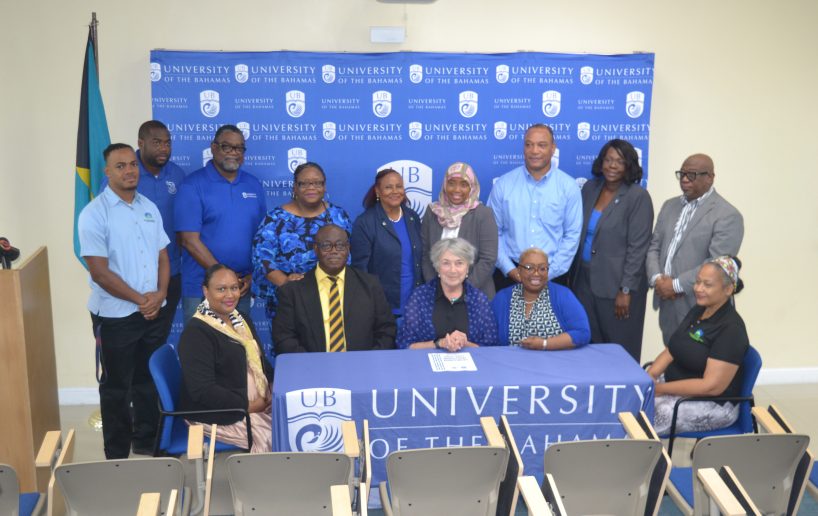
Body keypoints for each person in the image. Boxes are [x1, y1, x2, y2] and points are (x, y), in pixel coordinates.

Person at [78, 143, 170, 459]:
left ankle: (146, 442)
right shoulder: (94, 214)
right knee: (117, 387)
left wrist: (160, 294)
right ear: (107, 172)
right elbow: (100, 273)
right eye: (120, 166)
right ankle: (116, 456)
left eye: (133, 164)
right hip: (116, 316)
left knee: (148, 381)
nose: (129, 171)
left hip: (153, 311)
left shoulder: (149, 207)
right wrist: (141, 300)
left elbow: (162, 256)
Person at [569, 139, 654, 361]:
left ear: (629, 165)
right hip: (584, 281)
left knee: (619, 349)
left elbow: (638, 248)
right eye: (608, 160)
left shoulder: (637, 197)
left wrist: (626, 290)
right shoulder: (590, 188)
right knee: (588, 348)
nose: (612, 166)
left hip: (617, 285)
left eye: (619, 161)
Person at [646, 154, 744, 345]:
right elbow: (654, 246)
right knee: (672, 353)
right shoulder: (669, 206)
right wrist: (658, 279)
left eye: (691, 175)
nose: (684, 179)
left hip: (701, 304)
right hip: (667, 301)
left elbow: (716, 265)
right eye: (681, 174)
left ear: (710, 177)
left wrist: (675, 285)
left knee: (697, 358)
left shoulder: (728, 215)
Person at [647, 257, 749, 435]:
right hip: (676, 386)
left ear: (728, 289)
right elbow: (672, 349)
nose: (698, 289)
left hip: (713, 404)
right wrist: (650, 377)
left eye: (707, 285)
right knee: (632, 398)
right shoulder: (699, 310)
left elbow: (711, 386)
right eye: (697, 282)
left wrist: (660, 389)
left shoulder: (731, 329)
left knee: (645, 418)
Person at [178, 264, 274, 453]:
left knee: (293, 420)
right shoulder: (196, 333)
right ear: (206, 291)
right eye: (221, 289)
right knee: (275, 436)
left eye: (234, 287)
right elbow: (203, 391)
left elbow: (261, 362)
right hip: (218, 412)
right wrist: (247, 405)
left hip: (255, 402)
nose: (230, 295)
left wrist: (271, 387)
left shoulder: (241, 319)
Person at [174, 124, 266, 321]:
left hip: (240, 287)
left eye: (239, 148)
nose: (233, 152)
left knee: (238, 340)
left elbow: (262, 238)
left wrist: (251, 276)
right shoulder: (192, 185)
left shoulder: (253, 185)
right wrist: (225, 278)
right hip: (201, 288)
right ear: (214, 147)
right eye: (227, 147)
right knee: (201, 340)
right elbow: (189, 240)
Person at [251, 162, 352, 334]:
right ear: (295, 187)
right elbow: (262, 260)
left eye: (317, 183)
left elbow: (348, 255)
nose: (311, 187)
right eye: (304, 183)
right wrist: (287, 283)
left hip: (331, 300)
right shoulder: (275, 218)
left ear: (324, 187)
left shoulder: (338, 216)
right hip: (289, 301)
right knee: (291, 348)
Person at [274, 224, 396, 353]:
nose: (334, 251)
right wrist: (310, 363)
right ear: (316, 249)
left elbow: (386, 331)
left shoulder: (370, 285)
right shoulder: (293, 291)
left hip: (363, 364)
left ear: (348, 248)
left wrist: (369, 360)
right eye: (326, 246)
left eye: (340, 245)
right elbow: (284, 337)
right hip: (310, 364)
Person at [488, 123, 582, 290]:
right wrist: (510, 269)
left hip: (553, 277)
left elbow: (572, 235)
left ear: (553, 148)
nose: (534, 151)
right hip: (510, 275)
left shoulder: (568, 187)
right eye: (529, 144)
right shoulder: (503, 185)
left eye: (542, 145)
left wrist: (548, 273)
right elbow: (493, 233)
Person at [397, 238, 498, 350]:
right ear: (437, 267)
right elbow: (405, 344)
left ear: (467, 268)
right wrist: (440, 343)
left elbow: (490, 348)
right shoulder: (420, 297)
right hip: (426, 360)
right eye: (446, 263)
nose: (452, 270)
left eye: (459, 263)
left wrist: (464, 343)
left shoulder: (479, 300)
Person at [350, 168, 423, 317]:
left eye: (399, 186)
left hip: (415, 304)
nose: (395, 191)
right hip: (383, 306)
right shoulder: (365, 222)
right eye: (388, 187)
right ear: (378, 191)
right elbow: (360, 269)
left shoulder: (412, 217)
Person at [421, 162, 498, 299]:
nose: (457, 189)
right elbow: (425, 254)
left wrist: (461, 291)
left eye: (463, 184)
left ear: (472, 187)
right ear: (445, 185)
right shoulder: (432, 212)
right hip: (437, 294)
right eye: (451, 183)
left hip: (476, 294)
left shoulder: (483, 214)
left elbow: (488, 259)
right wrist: (437, 288)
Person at [493, 248, 590, 350]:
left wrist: (545, 344)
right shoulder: (502, 298)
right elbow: (490, 338)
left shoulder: (563, 295)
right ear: (519, 270)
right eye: (529, 268)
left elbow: (582, 333)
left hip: (554, 359)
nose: (536, 273)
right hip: (510, 359)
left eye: (542, 268)